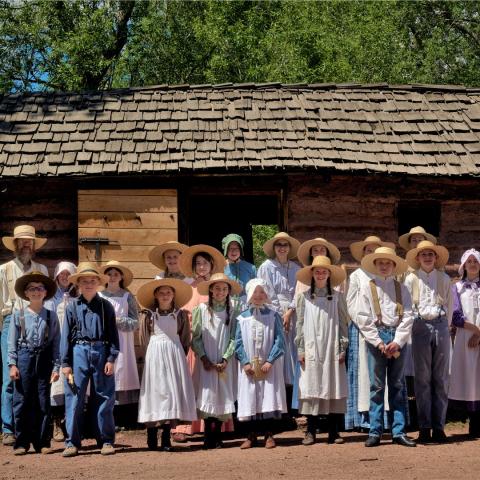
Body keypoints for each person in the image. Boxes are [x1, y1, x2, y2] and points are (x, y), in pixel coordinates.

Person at [356, 246, 416, 447]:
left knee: (397, 385)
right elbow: (363, 318)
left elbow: (408, 315)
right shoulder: (367, 287)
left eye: (387, 263)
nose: (383, 266)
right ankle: (375, 431)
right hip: (378, 338)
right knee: (377, 386)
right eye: (380, 263)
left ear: (393, 266)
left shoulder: (403, 288)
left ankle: (398, 432)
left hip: (397, 336)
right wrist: (379, 342)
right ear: (375, 265)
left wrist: (397, 341)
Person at [60, 262, 119, 457]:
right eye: (84, 281)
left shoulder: (106, 306)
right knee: (74, 396)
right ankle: (72, 442)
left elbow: (113, 334)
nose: (88, 284)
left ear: (98, 283)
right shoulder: (72, 307)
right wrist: (65, 363)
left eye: (92, 280)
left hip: (101, 350)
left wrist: (111, 357)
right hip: (78, 350)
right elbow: (65, 336)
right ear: (78, 283)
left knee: (103, 395)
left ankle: (106, 440)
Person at [0, 225, 48, 446]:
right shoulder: (4, 269)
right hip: (11, 322)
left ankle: (30, 427)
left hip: (37, 321)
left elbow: (45, 299)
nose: (26, 244)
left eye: (30, 241)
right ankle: (8, 428)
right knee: (10, 377)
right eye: (22, 241)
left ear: (34, 245)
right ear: (16, 245)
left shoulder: (41, 269)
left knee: (36, 377)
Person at [172, 244, 226, 440]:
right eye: (198, 264)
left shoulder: (218, 287)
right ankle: (185, 427)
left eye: (204, 263)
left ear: (211, 265)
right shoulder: (187, 287)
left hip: (215, 342)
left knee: (213, 385)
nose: (201, 267)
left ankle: (214, 425)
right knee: (190, 383)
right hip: (193, 344)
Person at [137, 278, 197, 451]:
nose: (165, 296)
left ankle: (165, 436)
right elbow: (143, 340)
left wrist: (177, 353)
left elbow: (185, 339)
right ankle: (151, 434)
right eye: (161, 293)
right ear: (155, 295)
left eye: (168, 293)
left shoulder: (180, 314)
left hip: (174, 354)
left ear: (174, 295)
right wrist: (152, 354)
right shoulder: (147, 314)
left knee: (171, 392)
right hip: (155, 354)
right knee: (155, 392)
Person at [295, 256, 349, 446]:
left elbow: (343, 323)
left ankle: (333, 432)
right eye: (317, 271)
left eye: (324, 271)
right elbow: (299, 324)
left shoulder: (337, 297)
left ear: (329, 274)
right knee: (311, 386)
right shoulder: (303, 298)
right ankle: (310, 431)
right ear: (312, 273)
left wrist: (343, 347)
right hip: (311, 347)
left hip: (331, 346)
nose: (320, 274)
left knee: (333, 384)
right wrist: (300, 348)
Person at [345, 235, 395, 431]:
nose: (372, 253)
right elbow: (351, 303)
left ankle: (386, 418)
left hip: (387, 329)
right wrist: (366, 324)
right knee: (366, 374)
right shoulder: (357, 275)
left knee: (387, 376)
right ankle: (364, 419)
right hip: (363, 329)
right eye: (368, 250)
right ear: (364, 254)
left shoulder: (388, 275)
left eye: (376, 250)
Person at [404, 240, 452, 443]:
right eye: (423, 254)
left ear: (436, 257)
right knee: (422, 380)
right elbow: (407, 306)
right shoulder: (411, 279)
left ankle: (439, 427)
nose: (427, 257)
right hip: (419, 326)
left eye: (431, 254)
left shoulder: (445, 278)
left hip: (440, 325)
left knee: (440, 378)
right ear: (417, 258)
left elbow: (449, 306)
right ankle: (424, 427)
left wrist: (443, 326)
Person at [8, 272, 60, 455]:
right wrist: (12, 364)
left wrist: (56, 367)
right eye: (32, 289)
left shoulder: (51, 316)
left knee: (43, 400)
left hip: (44, 358)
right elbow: (11, 342)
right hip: (24, 358)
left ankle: (43, 442)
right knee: (21, 400)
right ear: (26, 293)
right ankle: (22, 442)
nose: (36, 291)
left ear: (45, 293)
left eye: (40, 288)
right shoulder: (18, 315)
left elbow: (55, 343)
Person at [192, 273, 242, 449]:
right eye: (217, 288)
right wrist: (204, 358)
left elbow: (235, 337)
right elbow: (196, 337)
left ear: (228, 291)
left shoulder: (234, 310)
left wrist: (226, 358)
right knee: (208, 393)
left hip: (223, 360)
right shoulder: (201, 309)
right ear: (211, 290)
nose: (221, 292)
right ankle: (207, 435)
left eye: (224, 289)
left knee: (222, 393)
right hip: (206, 358)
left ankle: (218, 435)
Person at [236, 278, 286, 449]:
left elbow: (280, 340)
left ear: (266, 295)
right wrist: (244, 362)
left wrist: (270, 361)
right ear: (249, 294)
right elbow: (238, 342)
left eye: (261, 292)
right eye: (255, 292)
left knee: (267, 397)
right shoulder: (242, 318)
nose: (258, 296)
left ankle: (269, 434)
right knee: (251, 398)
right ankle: (250, 435)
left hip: (268, 367)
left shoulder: (273, 316)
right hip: (249, 367)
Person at [257, 232, 301, 390]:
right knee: (277, 347)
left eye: (285, 245)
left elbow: (300, 291)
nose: (282, 248)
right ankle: (278, 392)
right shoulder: (266, 267)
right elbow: (266, 292)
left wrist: (290, 311)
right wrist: (280, 315)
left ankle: (294, 395)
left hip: (293, 311)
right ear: (274, 248)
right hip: (273, 311)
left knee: (293, 349)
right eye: (279, 245)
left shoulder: (296, 268)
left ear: (289, 248)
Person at [99, 261, 140, 427]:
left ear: (121, 277)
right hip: (106, 340)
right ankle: (108, 417)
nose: (113, 277)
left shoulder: (127, 296)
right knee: (108, 372)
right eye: (109, 273)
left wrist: (118, 321)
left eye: (116, 274)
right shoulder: (100, 297)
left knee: (123, 374)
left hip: (123, 340)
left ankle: (124, 417)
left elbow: (135, 322)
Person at [44, 261, 77, 443]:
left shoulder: (77, 295)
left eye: (68, 273)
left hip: (73, 344)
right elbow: (48, 320)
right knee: (57, 384)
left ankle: (70, 422)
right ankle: (57, 423)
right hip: (57, 342)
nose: (64, 277)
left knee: (73, 382)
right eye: (61, 274)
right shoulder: (50, 297)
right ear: (56, 275)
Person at [449, 249, 480, 438]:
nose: (472, 264)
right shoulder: (457, 288)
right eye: (469, 261)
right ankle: (473, 424)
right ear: (463, 265)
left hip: (478, 338)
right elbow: (455, 315)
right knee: (469, 379)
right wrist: (476, 331)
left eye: (475, 261)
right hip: (465, 339)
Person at [222, 233, 256, 299]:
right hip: (226, 305)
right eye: (230, 248)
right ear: (226, 250)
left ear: (240, 250)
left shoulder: (251, 268)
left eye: (236, 248)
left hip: (246, 305)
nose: (233, 251)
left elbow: (255, 289)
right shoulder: (220, 267)